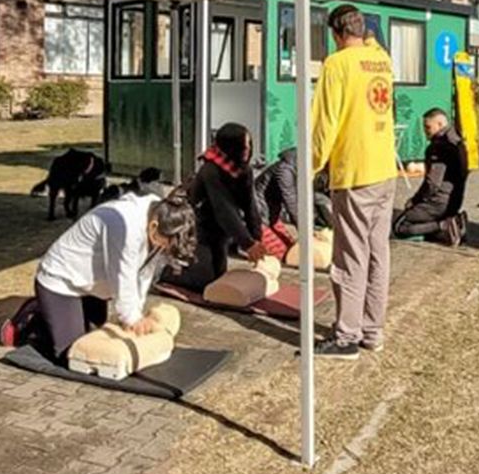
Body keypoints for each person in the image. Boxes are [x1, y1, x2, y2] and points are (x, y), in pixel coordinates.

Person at [310, 4, 398, 359]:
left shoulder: (337, 65)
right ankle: (372, 330)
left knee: (350, 256)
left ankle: (346, 336)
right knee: (379, 253)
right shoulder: (382, 60)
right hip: (385, 170)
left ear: (336, 34)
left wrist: (312, 167)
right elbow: (374, 48)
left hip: (355, 171)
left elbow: (324, 123)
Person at [34, 190, 197, 362]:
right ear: (154, 226)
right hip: (61, 281)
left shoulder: (162, 214)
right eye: (165, 244)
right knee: (73, 355)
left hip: (92, 288)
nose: (163, 248)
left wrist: (137, 312)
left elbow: (145, 270)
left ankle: (51, 315)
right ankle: (35, 318)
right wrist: (131, 318)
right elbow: (122, 275)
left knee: (95, 342)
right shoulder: (124, 224)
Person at [168, 123, 267, 291]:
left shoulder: (244, 171)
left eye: (249, 145)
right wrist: (247, 243)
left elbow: (250, 205)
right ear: (231, 146)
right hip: (195, 227)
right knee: (204, 282)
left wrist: (257, 238)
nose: (247, 150)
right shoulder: (210, 170)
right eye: (243, 145)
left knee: (219, 278)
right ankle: (164, 271)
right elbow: (224, 209)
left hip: (219, 231)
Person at [392, 108, 469, 246]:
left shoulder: (439, 147)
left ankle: (444, 225)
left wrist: (415, 200)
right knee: (421, 222)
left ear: (440, 124)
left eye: (428, 127)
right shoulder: (458, 141)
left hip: (438, 203)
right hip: (455, 200)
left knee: (399, 225)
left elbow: (432, 183)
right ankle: (450, 226)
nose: (425, 131)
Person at [253, 147, 331, 258]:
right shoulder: (285, 170)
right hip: (256, 216)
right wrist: (306, 231)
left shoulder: (302, 169)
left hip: (271, 215)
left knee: (291, 246)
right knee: (284, 253)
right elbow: (292, 202)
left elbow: (312, 198)